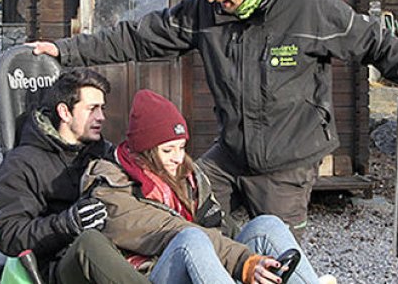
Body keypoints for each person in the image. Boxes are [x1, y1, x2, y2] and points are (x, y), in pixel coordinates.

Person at [32, 0, 398, 229]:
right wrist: (66, 50)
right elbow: (138, 37)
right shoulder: (205, 11)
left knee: (274, 255)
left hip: (287, 160)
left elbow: (377, 44)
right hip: (232, 152)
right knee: (186, 216)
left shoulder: (307, 7)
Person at [83, 89, 336, 284]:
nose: (178, 157)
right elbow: (170, 230)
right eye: (168, 150)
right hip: (151, 273)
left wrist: (258, 259)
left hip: (201, 264)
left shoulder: (188, 176)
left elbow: (219, 226)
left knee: (266, 225)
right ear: (145, 151)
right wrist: (243, 261)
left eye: (182, 147)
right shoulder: (110, 183)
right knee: (190, 238)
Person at [0, 68, 148, 284]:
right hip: (61, 264)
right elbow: (7, 234)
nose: (101, 117)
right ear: (65, 112)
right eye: (92, 109)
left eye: (102, 108)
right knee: (90, 242)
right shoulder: (22, 163)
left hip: (119, 252)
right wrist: (66, 224)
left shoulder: (105, 153)